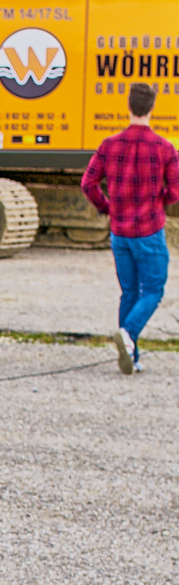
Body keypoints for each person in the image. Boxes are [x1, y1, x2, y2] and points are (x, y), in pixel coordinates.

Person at [82, 81, 179, 375]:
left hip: (120, 232)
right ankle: (127, 336)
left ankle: (132, 357)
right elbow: (175, 191)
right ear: (152, 107)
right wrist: (158, 202)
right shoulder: (165, 148)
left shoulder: (109, 145)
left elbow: (88, 184)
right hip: (149, 231)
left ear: (128, 106)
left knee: (129, 292)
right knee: (152, 290)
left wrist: (107, 206)